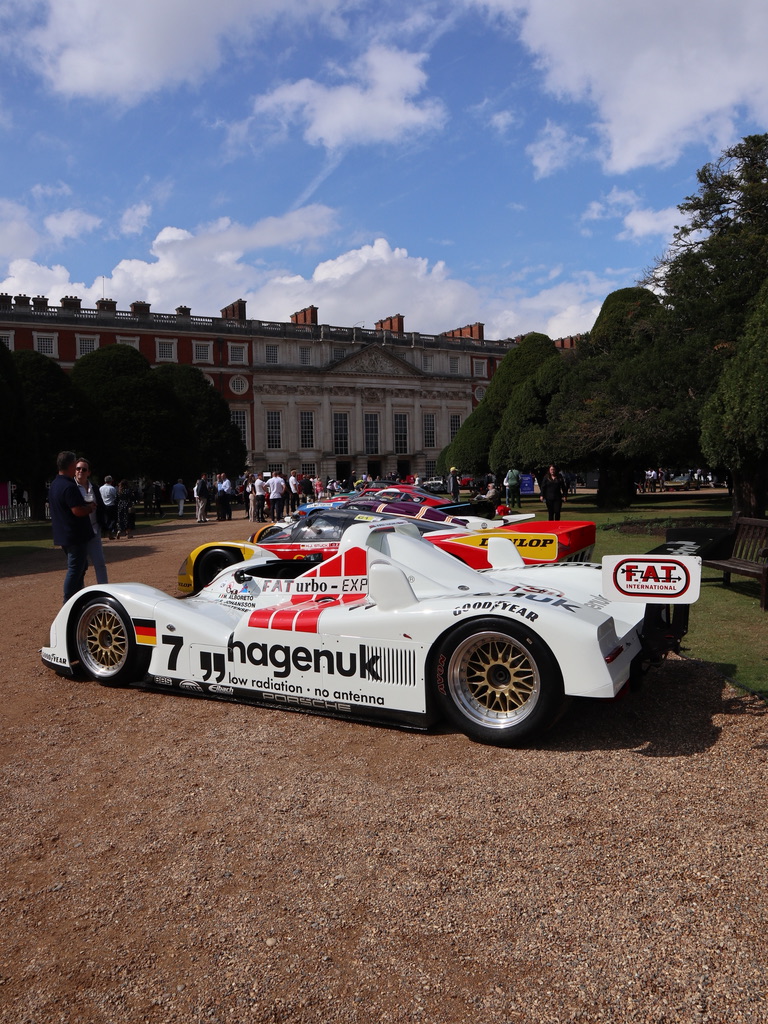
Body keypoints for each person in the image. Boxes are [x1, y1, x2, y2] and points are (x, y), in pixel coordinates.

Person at [49, 451, 97, 602]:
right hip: (74, 534)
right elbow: (77, 510)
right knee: (75, 569)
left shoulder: (55, 484)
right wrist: (90, 508)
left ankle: (78, 598)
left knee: (80, 567)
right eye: (75, 464)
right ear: (71, 465)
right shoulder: (69, 486)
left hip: (64, 533)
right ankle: (68, 601)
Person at [75, 458, 108, 584]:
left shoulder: (94, 487)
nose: (80, 471)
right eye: (78, 469)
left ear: (89, 472)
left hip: (94, 528)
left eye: (84, 469)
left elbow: (101, 506)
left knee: (100, 562)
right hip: (79, 531)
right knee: (79, 566)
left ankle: (104, 589)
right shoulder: (72, 487)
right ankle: (78, 592)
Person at [99, 474, 118, 539]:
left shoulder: (101, 488)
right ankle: (110, 532)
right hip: (111, 505)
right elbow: (115, 496)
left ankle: (104, 532)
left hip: (104, 505)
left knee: (106, 519)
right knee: (113, 519)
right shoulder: (112, 488)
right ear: (111, 481)